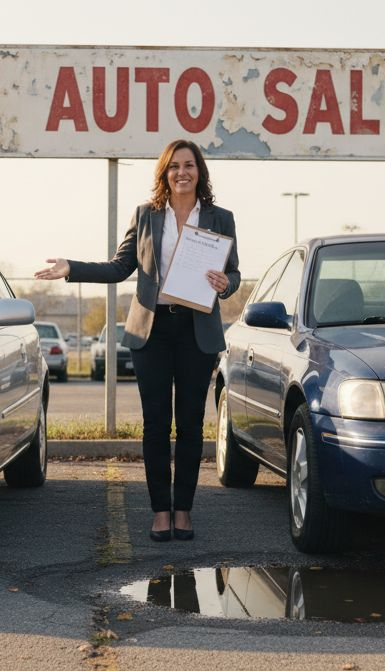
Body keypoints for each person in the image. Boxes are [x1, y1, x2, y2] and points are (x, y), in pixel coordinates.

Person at [35, 139, 241, 542]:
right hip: (153, 331)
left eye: (189, 165)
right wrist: (71, 268)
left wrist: (225, 284)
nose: (182, 173)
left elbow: (233, 273)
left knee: (191, 426)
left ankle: (184, 511)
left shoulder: (221, 218)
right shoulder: (147, 216)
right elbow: (119, 267)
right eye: (173, 167)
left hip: (197, 330)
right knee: (155, 426)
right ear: (164, 174)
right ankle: (160, 511)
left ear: (200, 171)